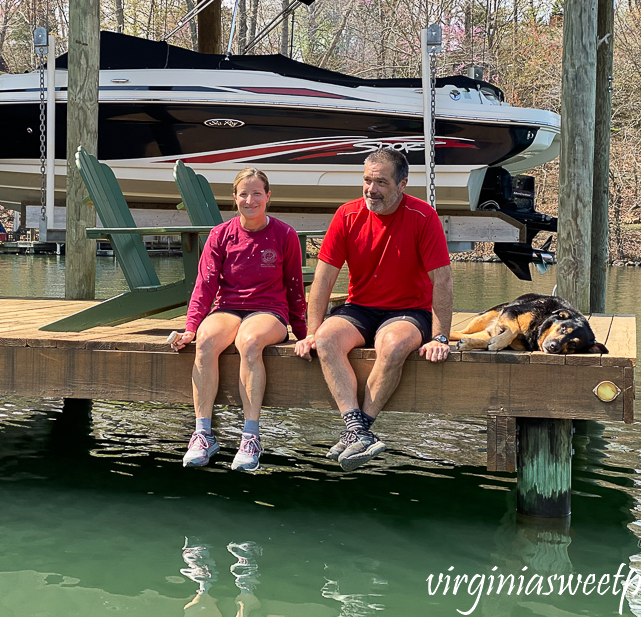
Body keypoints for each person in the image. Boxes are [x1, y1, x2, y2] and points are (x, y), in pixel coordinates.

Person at [295, 148, 453, 471]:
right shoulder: (347, 215)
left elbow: (443, 281)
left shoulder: (424, 217)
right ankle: (358, 431)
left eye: (380, 182)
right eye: (367, 180)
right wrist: (310, 332)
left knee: (393, 345)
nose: (371, 189)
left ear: (402, 184)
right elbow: (323, 280)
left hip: (409, 310)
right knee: (326, 339)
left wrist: (440, 336)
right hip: (360, 308)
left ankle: (357, 431)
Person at [172, 168, 307, 471]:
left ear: (268, 196)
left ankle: (251, 436)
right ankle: (203, 433)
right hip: (229, 308)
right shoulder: (220, 235)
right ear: (234, 198)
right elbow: (205, 285)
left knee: (250, 340)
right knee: (206, 341)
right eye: (243, 194)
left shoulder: (285, 235)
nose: (250, 199)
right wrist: (191, 328)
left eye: (257, 193)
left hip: (269, 311)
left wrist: (303, 333)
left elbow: (295, 287)